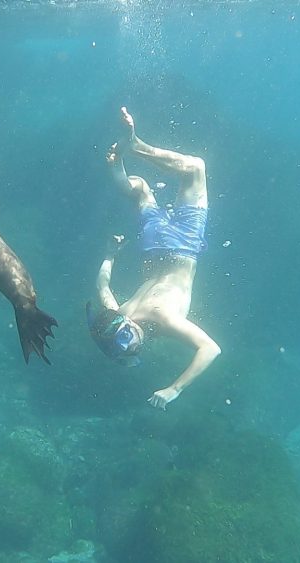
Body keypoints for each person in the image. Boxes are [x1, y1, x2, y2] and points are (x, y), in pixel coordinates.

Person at [86, 107, 221, 410]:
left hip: (184, 245)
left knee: (196, 168)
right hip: (154, 247)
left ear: (124, 335)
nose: (136, 350)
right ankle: (118, 164)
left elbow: (211, 348)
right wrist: (110, 255)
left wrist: (176, 388)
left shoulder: (163, 320)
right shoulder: (119, 312)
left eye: (129, 351)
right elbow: (102, 288)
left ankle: (135, 146)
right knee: (142, 190)